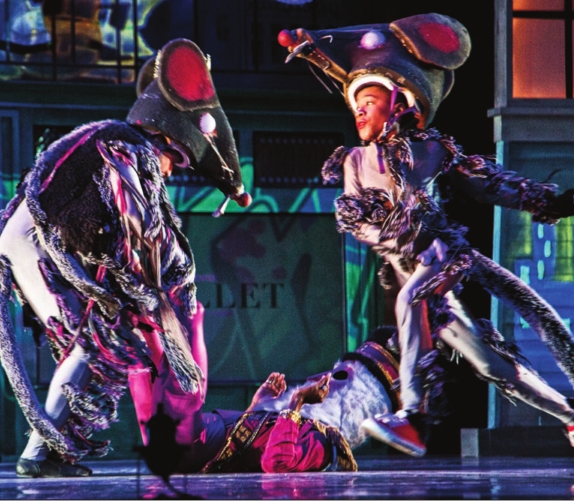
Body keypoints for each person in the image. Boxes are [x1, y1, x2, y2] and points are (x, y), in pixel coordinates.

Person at [278, 13, 574, 457]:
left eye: (370, 100)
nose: (360, 109)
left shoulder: (430, 149)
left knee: (410, 298)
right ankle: (570, 415)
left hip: (441, 257)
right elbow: (357, 223)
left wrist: (551, 201)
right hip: (410, 268)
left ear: (399, 103)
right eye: (356, 104)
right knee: (490, 364)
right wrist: (392, 228)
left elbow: (487, 183)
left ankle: (414, 416)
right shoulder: (355, 162)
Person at [0, 38, 251, 477]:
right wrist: (153, 292)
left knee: (91, 345)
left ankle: (53, 451)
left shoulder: (114, 136)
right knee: (89, 345)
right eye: (175, 161)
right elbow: (141, 230)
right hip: (31, 243)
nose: (171, 171)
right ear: (168, 139)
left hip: (30, 239)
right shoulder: (130, 148)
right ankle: (38, 455)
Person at [136, 322, 403, 475]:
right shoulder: (297, 423)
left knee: (186, 354)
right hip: (180, 442)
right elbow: (242, 445)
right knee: (146, 363)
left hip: (188, 446)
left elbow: (276, 462)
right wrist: (257, 406)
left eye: (339, 377)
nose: (321, 378)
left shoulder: (323, 442)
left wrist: (297, 400)